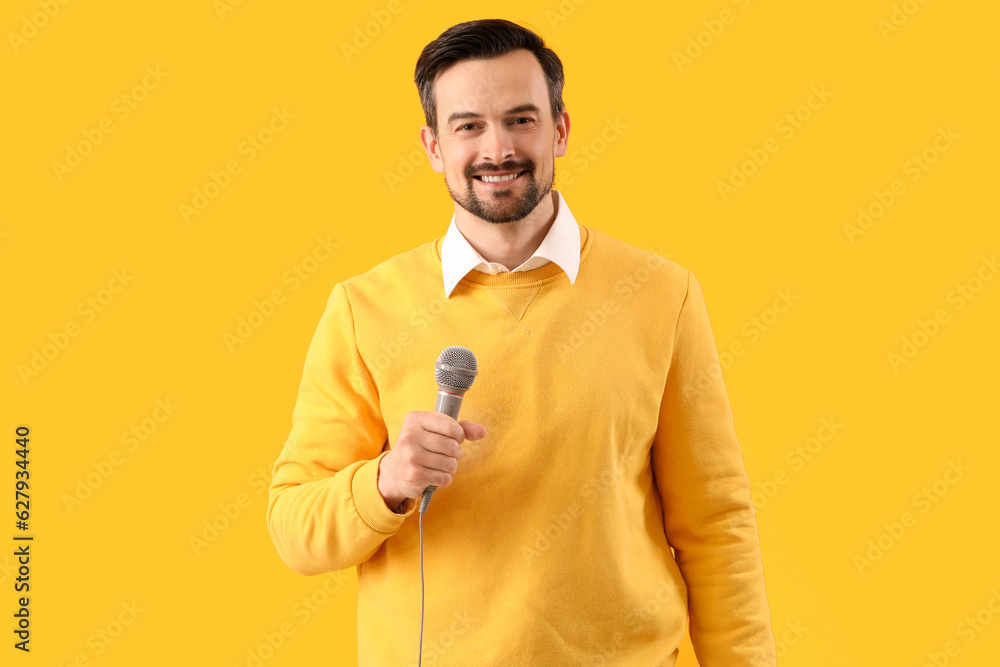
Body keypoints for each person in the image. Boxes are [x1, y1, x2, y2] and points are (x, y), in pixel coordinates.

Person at [267, 18, 777, 666]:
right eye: (468, 126)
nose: (497, 147)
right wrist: (386, 482)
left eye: (521, 119)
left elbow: (716, 525)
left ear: (559, 129)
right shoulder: (363, 310)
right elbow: (294, 528)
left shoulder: (661, 295)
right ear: (432, 146)